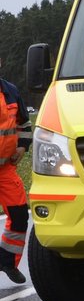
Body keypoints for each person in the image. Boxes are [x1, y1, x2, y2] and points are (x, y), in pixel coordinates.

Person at [0, 60, 32, 285]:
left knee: (20, 217)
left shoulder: (10, 91)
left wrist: (22, 146)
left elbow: (25, 124)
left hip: (5, 170)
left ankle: (7, 262)